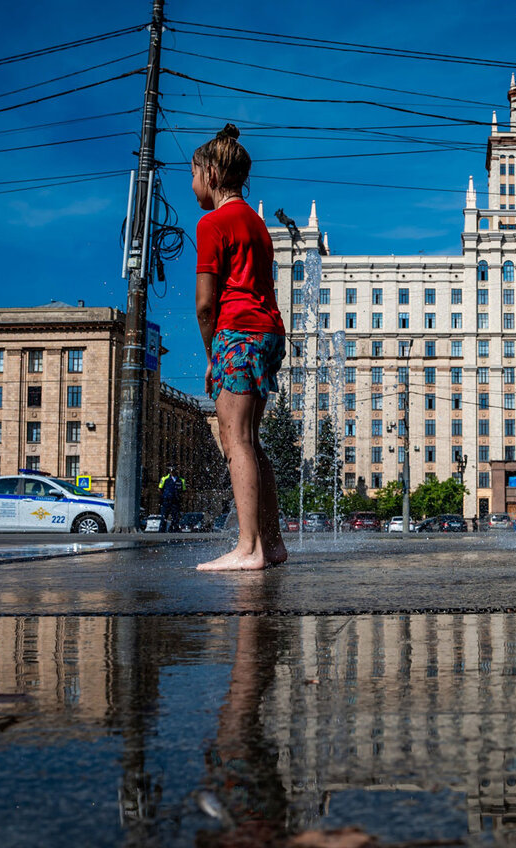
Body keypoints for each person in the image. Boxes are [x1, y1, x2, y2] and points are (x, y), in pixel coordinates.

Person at [191, 124, 287, 571]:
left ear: (211, 174)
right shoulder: (256, 223)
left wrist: (213, 355)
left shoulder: (213, 223)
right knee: (252, 441)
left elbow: (206, 304)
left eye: (192, 173)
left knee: (235, 442)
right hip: (268, 332)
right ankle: (272, 542)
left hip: (239, 333)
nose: (191, 185)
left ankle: (248, 548)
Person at [158, 465, 186, 532]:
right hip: (166, 501)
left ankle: (174, 530)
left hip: (175, 501)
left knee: (175, 517)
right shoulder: (164, 479)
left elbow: (183, 490)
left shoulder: (181, 480)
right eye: (171, 471)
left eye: (173, 471)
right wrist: (165, 496)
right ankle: (161, 531)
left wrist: (179, 496)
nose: (172, 472)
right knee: (164, 517)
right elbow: (159, 488)